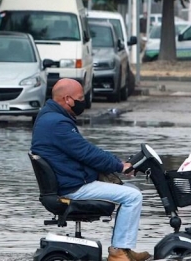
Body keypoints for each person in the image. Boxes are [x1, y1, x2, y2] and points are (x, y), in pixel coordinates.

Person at [31, 78, 149, 261]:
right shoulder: (57, 123)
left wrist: (118, 162)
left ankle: (123, 248)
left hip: (68, 182)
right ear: (68, 99)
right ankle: (118, 253)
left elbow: (84, 150)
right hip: (72, 188)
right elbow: (87, 153)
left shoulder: (50, 117)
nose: (83, 101)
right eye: (80, 98)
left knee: (132, 191)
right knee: (133, 197)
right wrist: (119, 166)